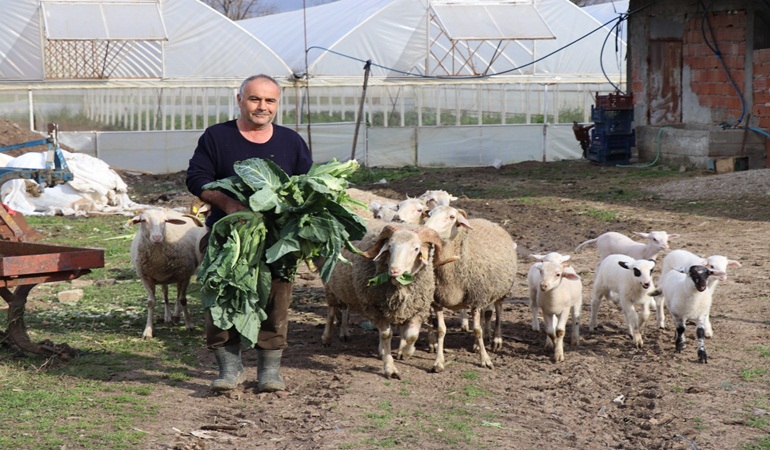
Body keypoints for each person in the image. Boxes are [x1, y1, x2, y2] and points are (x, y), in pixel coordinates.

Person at [186, 74, 313, 393]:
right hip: (228, 237)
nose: (262, 106)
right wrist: (229, 204)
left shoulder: (291, 142)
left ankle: (269, 372)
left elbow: (305, 186)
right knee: (220, 298)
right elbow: (197, 178)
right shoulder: (217, 136)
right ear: (240, 100)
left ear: (277, 104)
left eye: (270, 100)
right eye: (255, 99)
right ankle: (229, 370)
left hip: (277, 239)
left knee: (276, 301)